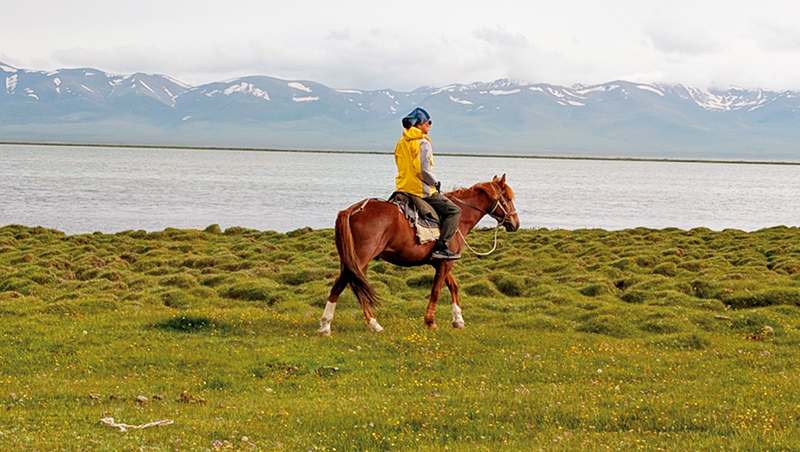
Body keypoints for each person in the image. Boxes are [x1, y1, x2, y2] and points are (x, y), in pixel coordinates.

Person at [394, 107, 462, 260]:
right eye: (428, 122)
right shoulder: (423, 143)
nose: (430, 125)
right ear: (419, 124)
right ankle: (442, 247)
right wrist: (435, 182)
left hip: (402, 188)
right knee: (454, 211)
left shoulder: (401, 142)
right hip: (420, 191)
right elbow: (422, 170)